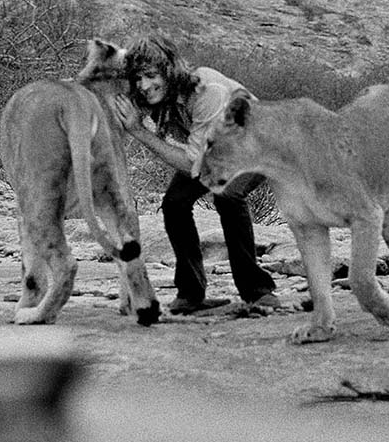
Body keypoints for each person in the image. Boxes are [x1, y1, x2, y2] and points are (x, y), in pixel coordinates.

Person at [114, 32, 279, 315]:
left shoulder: (207, 90)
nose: (144, 86)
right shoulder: (156, 96)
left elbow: (195, 163)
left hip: (256, 144)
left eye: (151, 75)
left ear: (169, 69)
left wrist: (139, 132)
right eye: (138, 79)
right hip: (213, 151)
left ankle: (257, 291)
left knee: (227, 195)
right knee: (175, 203)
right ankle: (191, 293)